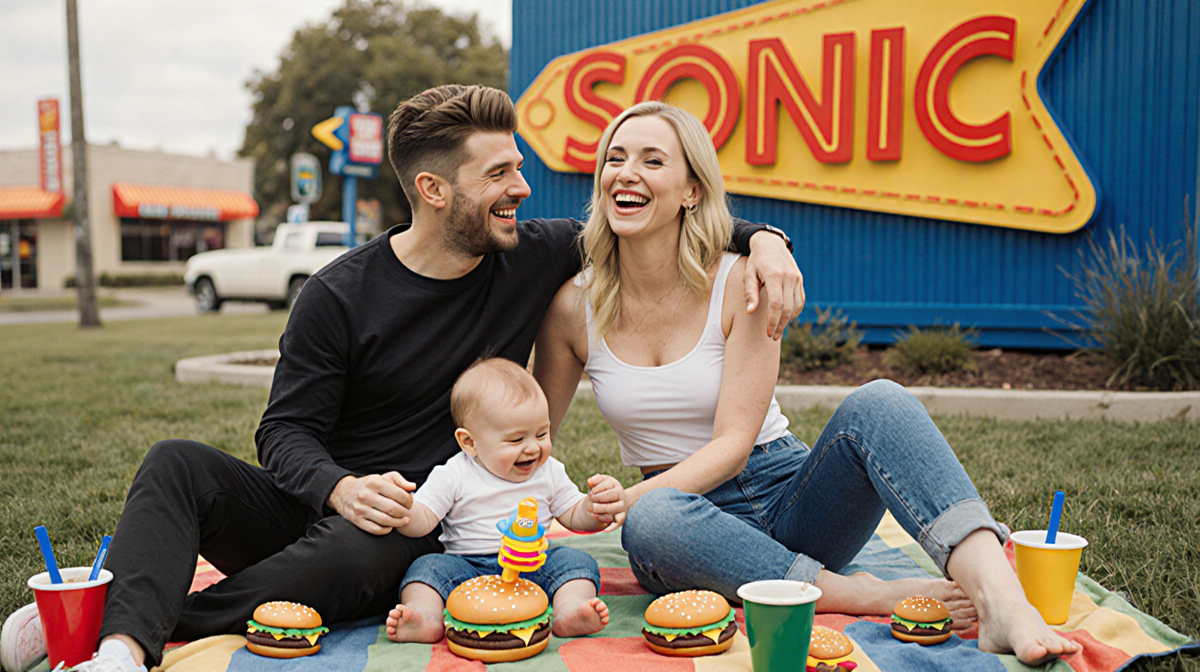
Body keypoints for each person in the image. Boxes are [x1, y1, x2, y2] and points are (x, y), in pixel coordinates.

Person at [0, 85, 801, 672]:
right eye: (499, 175)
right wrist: (337, 487)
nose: (521, 189)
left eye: (517, 169)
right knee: (177, 461)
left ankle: (116, 622)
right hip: (328, 502)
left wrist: (767, 239)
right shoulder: (337, 293)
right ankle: (118, 645)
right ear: (433, 189)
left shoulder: (529, 254)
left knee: (367, 551)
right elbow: (282, 433)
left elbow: (653, 210)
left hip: (412, 521)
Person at [532, 101, 1083, 667]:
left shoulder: (744, 278)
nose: (627, 172)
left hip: (791, 498)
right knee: (651, 520)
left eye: (652, 160)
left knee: (881, 402)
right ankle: (856, 594)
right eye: (615, 158)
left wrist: (623, 501)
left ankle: (1003, 602)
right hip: (687, 533)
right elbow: (533, 438)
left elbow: (733, 445)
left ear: (691, 190)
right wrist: (557, 512)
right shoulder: (574, 306)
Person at [385, 358, 624, 644]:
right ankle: (424, 616)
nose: (533, 447)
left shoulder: (548, 471)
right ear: (470, 443)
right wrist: (404, 509)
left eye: (542, 433)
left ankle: (570, 610)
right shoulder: (454, 473)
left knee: (577, 563)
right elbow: (423, 519)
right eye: (515, 440)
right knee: (425, 570)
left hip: (533, 563)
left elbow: (573, 513)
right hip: (467, 566)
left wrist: (594, 508)